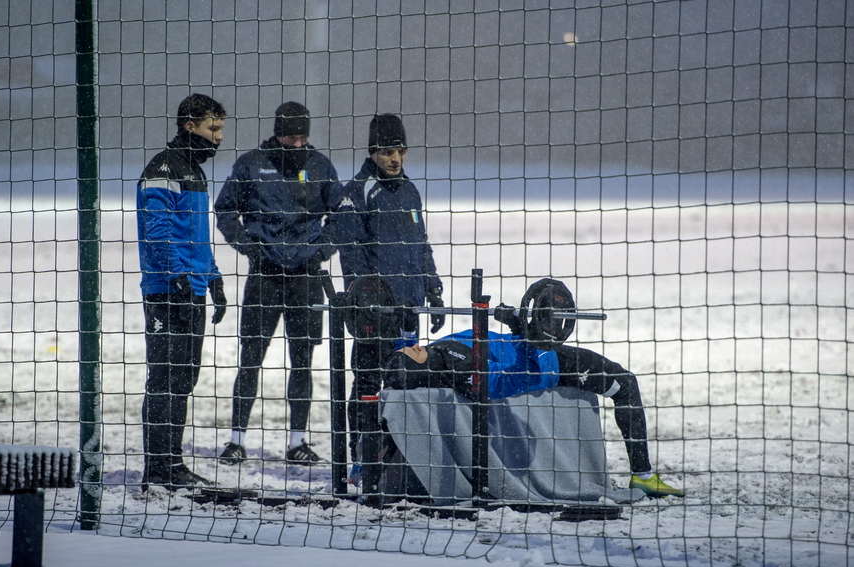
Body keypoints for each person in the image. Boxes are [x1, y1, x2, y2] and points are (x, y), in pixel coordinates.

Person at [382, 304, 685, 498]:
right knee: (625, 384)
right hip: (546, 360)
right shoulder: (464, 372)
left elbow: (399, 358)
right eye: (411, 352)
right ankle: (643, 477)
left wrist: (405, 323)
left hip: (529, 343)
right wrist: (523, 333)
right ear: (420, 368)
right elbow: (519, 379)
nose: (413, 347)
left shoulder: (433, 356)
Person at [215, 101, 341, 465]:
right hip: (265, 277)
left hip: (305, 278)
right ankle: (236, 440)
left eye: (302, 137)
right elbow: (225, 210)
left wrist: (321, 251)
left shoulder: (320, 166)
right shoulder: (252, 164)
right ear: (276, 132)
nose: (296, 143)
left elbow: (340, 214)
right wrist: (249, 246)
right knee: (250, 358)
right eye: (289, 136)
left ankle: (297, 442)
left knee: (303, 362)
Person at [335, 114, 446, 473]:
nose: (395, 158)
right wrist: (365, 302)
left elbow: (421, 244)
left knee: (404, 387)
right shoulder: (357, 192)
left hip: (409, 311)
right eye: (387, 151)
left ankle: (396, 459)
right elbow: (351, 255)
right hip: (375, 315)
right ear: (372, 151)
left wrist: (433, 289)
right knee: (367, 388)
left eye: (400, 150)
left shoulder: (409, 189)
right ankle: (360, 460)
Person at [136, 93, 228, 490]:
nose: (219, 137)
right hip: (165, 291)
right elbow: (157, 231)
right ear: (190, 126)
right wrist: (175, 277)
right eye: (213, 128)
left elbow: (196, 239)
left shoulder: (194, 171)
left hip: (191, 289)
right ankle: (158, 469)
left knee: (184, 378)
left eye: (221, 129)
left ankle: (172, 465)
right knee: (165, 379)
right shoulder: (162, 169)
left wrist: (214, 279)